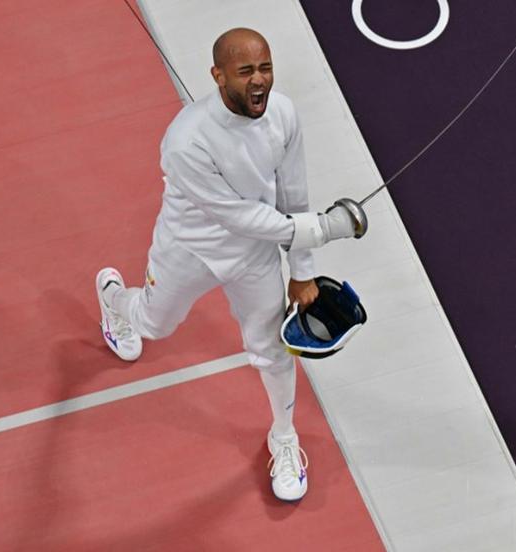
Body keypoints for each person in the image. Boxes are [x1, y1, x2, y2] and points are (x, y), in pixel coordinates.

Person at [94, 28, 364, 502]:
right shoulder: (185, 141)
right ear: (218, 76)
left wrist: (302, 267)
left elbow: (292, 194)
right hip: (189, 251)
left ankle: (284, 437)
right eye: (245, 72)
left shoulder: (282, 114)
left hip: (254, 257)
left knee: (272, 348)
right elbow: (239, 215)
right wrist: (327, 228)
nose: (259, 81)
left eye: (265, 68)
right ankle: (114, 298)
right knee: (154, 326)